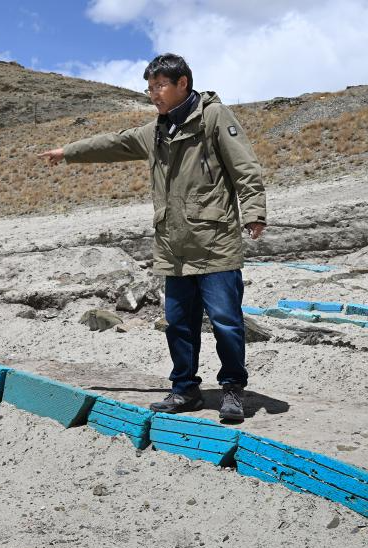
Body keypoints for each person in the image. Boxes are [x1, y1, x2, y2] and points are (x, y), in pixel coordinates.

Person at [38, 53, 266, 422]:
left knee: (225, 321)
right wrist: (68, 152)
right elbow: (114, 143)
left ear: (182, 84)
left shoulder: (214, 117)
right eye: (149, 88)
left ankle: (232, 390)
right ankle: (185, 390)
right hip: (173, 248)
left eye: (160, 86)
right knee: (178, 324)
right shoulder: (156, 131)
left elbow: (246, 168)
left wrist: (254, 212)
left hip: (215, 243)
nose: (153, 94)